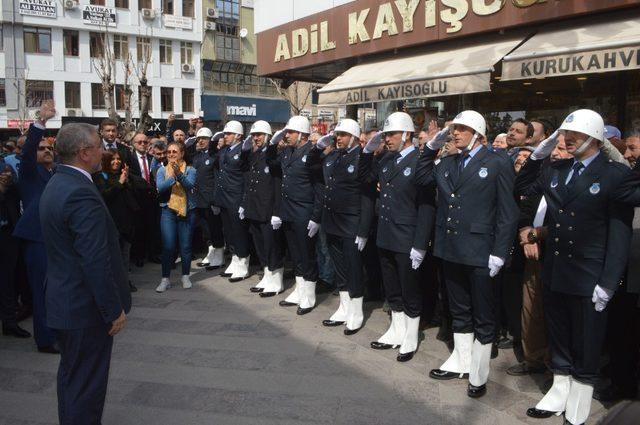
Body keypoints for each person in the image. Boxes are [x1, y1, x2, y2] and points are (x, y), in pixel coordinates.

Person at [515, 109, 632, 425]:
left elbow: (619, 233)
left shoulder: (613, 174)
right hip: (557, 269)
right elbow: (525, 182)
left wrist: (608, 281)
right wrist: (541, 150)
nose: (566, 140)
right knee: (560, 337)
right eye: (565, 134)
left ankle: (579, 399)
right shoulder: (557, 169)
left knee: (587, 342)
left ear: (593, 138)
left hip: (589, 274)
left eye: (574, 136)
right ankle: (559, 389)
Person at [39, 122, 131, 425]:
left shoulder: (58, 182)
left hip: (65, 302)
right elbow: (94, 259)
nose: (104, 151)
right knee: (86, 389)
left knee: (72, 380)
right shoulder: (80, 192)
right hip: (84, 309)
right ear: (85, 152)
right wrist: (112, 309)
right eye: (99, 146)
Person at [423, 110, 519, 398]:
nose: (456, 133)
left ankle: (478, 372)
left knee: (483, 313)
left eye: (462, 129)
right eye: (455, 129)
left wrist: (500, 252)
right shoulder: (448, 162)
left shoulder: (497, 162)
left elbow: (507, 212)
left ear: (478, 134)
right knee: (459, 309)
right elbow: (420, 175)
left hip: (481, 250)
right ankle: (461, 360)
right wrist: (430, 146)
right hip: (451, 247)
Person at [359, 112, 436, 362]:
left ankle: (411, 335)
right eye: (385, 134)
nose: (387, 139)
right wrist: (367, 152)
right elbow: (366, 179)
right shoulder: (386, 160)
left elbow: (426, 206)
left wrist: (420, 244)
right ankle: (397, 329)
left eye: (391, 134)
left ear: (406, 135)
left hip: (407, 237)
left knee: (409, 288)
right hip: (386, 233)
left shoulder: (419, 160)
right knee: (391, 287)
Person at [318, 119, 374, 335]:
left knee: (353, 268)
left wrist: (363, 229)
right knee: (340, 266)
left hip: (351, 222)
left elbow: (367, 197)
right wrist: (318, 148)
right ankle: (344, 306)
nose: (337, 138)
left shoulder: (361, 158)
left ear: (353, 136)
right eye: (336, 135)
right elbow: (316, 170)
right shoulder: (334, 156)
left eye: (342, 134)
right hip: (332, 220)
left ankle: (356, 310)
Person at [13, 100, 59, 354]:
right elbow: (30, 147)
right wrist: (41, 122)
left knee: (57, 290)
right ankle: (44, 339)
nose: (45, 151)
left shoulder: (57, 172)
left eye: (48, 148)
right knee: (42, 291)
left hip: (57, 240)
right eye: (41, 148)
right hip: (37, 239)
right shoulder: (29, 171)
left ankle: (58, 330)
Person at [269, 116, 323, 315]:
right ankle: (300, 290)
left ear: (301, 134)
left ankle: (309, 294)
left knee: (307, 255)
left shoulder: (312, 153)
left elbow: (319, 188)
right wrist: (273, 143)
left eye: (290, 132)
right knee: (295, 254)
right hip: (289, 212)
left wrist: (316, 217)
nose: (287, 135)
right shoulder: (287, 152)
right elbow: (271, 163)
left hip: (304, 212)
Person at [240, 121, 286, 296]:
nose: (256, 138)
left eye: (259, 135)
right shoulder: (254, 154)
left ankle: (276, 280)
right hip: (255, 207)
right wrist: (245, 204)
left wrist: (276, 212)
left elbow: (276, 185)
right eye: (253, 135)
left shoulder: (273, 155)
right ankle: (267, 275)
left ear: (267, 136)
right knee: (260, 245)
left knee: (271, 246)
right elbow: (247, 176)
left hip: (268, 209)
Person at [93, 149, 140, 293]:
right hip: (110, 223)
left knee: (125, 255)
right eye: (112, 159)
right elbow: (104, 196)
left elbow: (133, 197)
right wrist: (120, 183)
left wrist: (126, 180)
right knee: (112, 256)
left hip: (126, 223)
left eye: (118, 159)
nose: (116, 162)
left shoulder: (124, 176)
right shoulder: (100, 176)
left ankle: (124, 281)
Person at [155, 141, 197, 292]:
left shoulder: (190, 170)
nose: (171, 154)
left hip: (187, 211)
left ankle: (185, 276)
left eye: (174, 152)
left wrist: (179, 174)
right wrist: (173, 177)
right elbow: (160, 188)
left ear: (182, 154)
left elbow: (190, 185)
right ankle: (165, 279)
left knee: (185, 247)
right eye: (169, 152)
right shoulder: (161, 170)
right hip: (168, 211)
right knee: (168, 247)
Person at [215, 120, 252, 282]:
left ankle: (243, 262)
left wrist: (244, 202)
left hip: (236, 197)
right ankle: (235, 259)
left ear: (238, 135)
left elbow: (246, 177)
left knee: (239, 231)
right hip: (224, 197)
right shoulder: (224, 150)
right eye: (225, 133)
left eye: (229, 133)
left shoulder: (244, 151)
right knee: (229, 231)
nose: (225, 136)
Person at [0, 159, 31, 338]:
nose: (6, 174)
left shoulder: (13, 191)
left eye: (8, 172)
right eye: (3, 172)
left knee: (8, 282)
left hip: (8, 238)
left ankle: (10, 322)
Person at [192, 127, 225, 270]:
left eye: (204, 139)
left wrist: (216, 199)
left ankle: (219, 256)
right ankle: (211, 253)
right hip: (198, 199)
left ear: (210, 140)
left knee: (215, 228)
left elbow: (218, 179)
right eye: (199, 139)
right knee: (206, 230)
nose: (201, 141)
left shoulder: (215, 156)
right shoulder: (197, 156)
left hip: (211, 199)